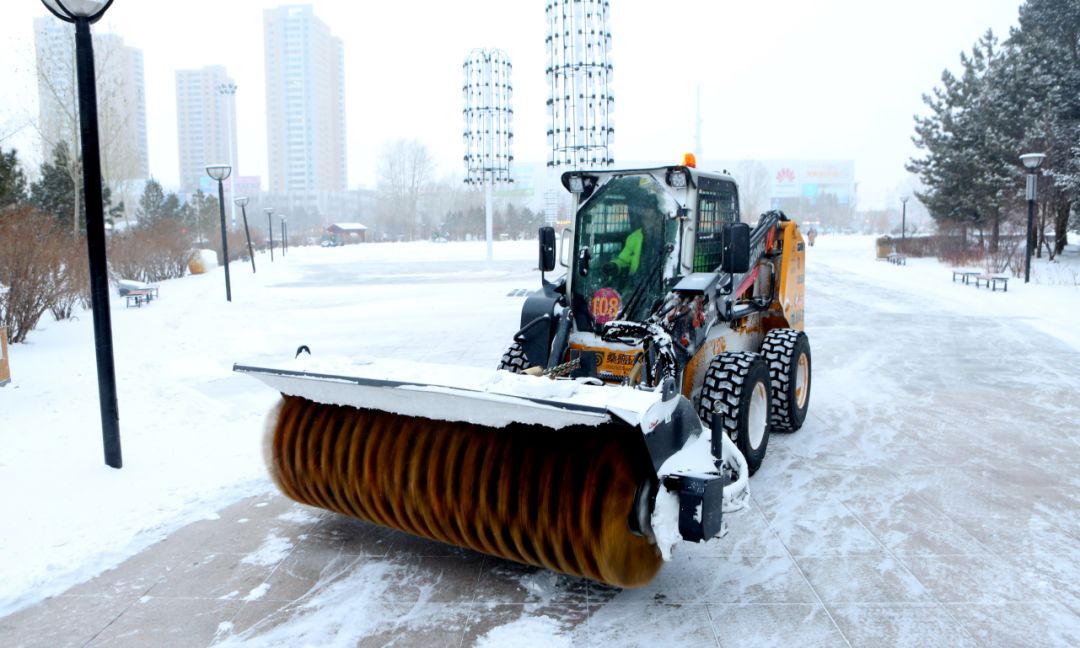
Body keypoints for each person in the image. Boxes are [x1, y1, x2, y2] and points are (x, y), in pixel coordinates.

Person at [603, 196, 663, 280]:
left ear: (660, 218)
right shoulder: (634, 238)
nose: (649, 223)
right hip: (639, 286)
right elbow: (623, 260)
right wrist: (615, 266)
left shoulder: (674, 238)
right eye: (645, 218)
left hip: (663, 283)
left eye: (652, 218)